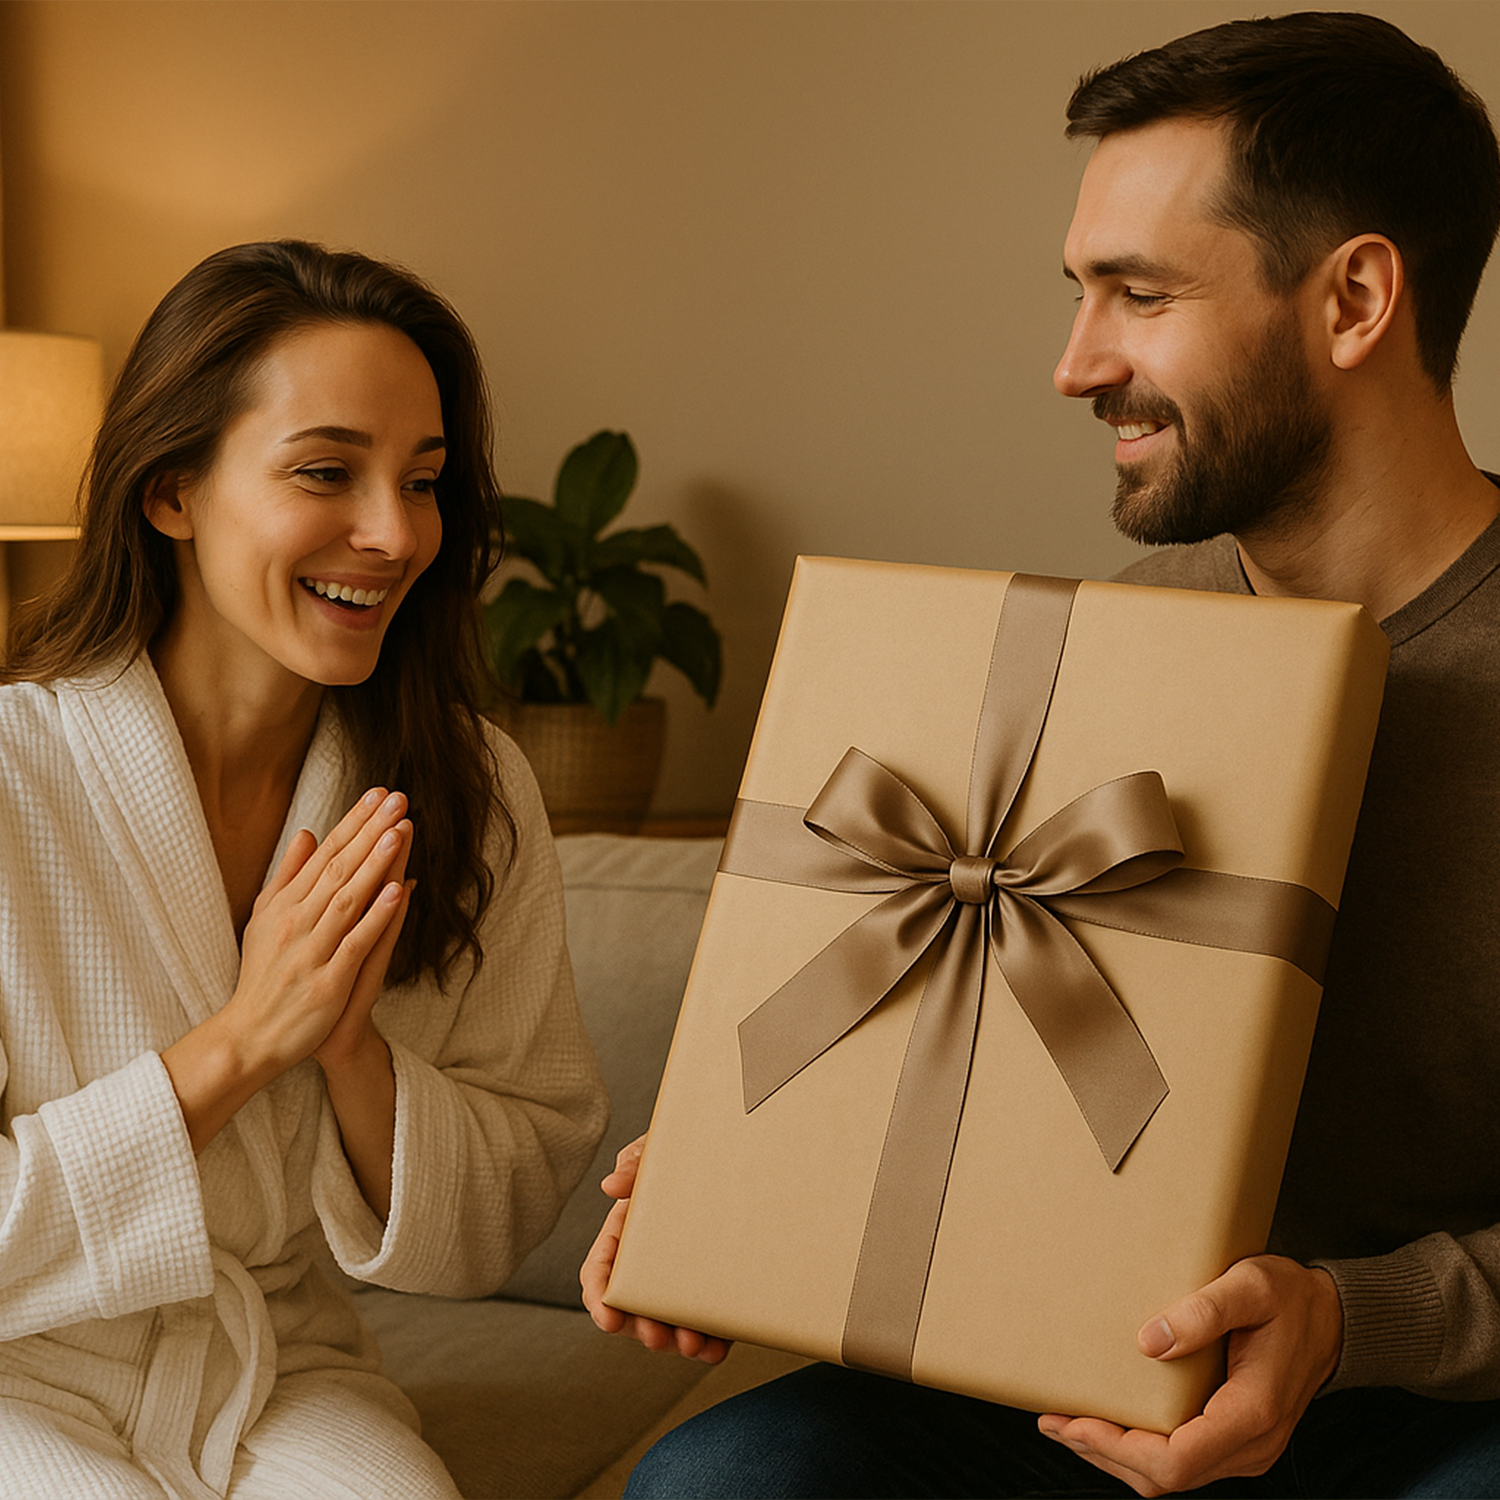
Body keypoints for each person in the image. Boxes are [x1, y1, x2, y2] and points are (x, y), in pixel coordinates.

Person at [580, 12, 1500, 1498]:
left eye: (1139, 296)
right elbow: (981, 1106)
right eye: (1081, 295)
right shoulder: (1098, 656)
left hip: (1438, 1407)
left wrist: (1345, 1320)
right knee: (721, 1484)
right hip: (1085, 1391)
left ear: (1355, 300)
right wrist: (740, 1201)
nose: (1076, 365)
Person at [0, 239, 608, 1498]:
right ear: (171, 490)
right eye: (326, 471)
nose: (393, 534)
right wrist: (246, 1040)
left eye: (425, 482)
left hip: (277, 1367)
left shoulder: (472, 792)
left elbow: (512, 1196)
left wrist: (350, 1052)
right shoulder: (15, 778)